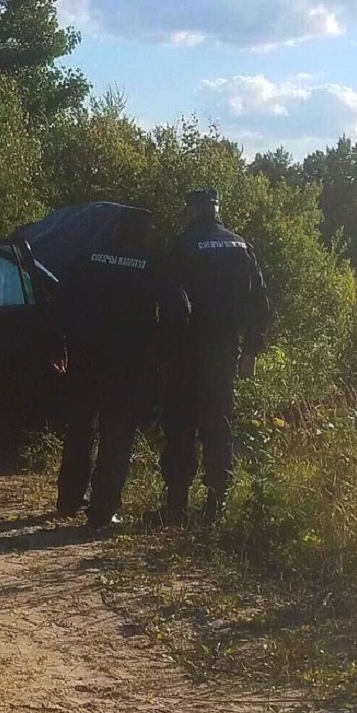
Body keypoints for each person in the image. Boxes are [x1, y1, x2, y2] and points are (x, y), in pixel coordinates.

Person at [147, 188, 269, 526]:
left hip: (186, 352)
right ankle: (216, 505)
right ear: (217, 209)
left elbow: (169, 302)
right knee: (218, 425)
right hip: (224, 354)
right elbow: (260, 303)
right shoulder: (242, 246)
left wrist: (162, 348)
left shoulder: (183, 246)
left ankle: (175, 507)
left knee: (181, 424)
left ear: (193, 211)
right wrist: (251, 350)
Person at [53, 206, 164, 529]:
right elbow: (176, 309)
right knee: (117, 434)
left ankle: (69, 500)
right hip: (128, 362)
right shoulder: (151, 262)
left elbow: (61, 299)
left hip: (86, 356)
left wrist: (59, 343)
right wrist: (159, 348)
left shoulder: (89, 256)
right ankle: (102, 511)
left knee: (80, 428)